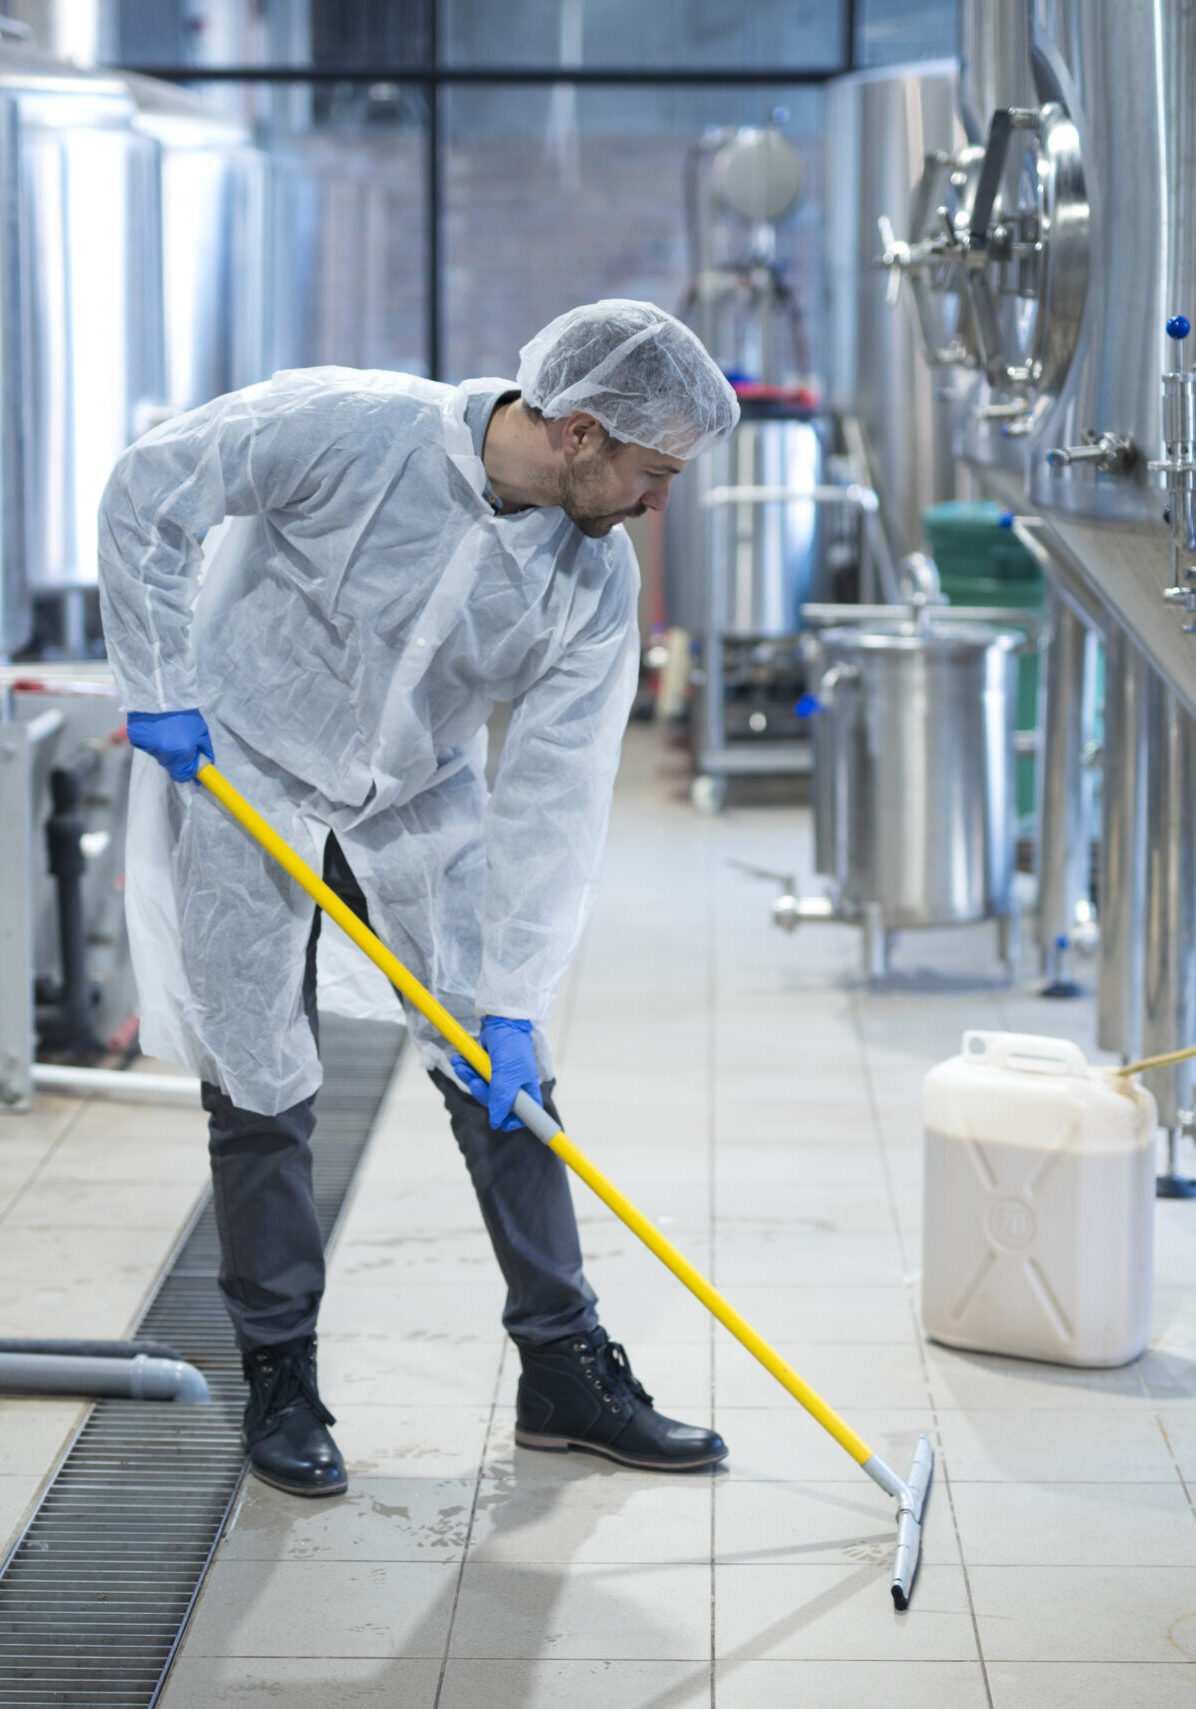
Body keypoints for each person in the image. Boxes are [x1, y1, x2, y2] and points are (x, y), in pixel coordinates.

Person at [97, 299, 740, 1498]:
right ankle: (279, 1373)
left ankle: (563, 1370)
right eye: (654, 473)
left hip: (411, 799)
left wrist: (516, 996)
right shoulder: (347, 427)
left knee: (508, 1082)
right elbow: (152, 489)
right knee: (258, 1083)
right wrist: (160, 682)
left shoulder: (593, 581)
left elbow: (555, 797)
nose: (659, 502)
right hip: (248, 765)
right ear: (583, 432)